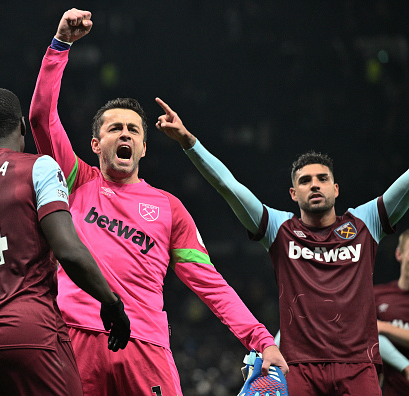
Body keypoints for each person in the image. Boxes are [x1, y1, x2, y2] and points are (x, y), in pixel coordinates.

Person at [29, 8, 287, 396]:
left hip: (146, 345)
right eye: (115, 128)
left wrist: (261, 339)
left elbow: (210, 285)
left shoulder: (169, 208)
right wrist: (60, 45)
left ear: (144, 148)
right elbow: (40, 117)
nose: (125, 134)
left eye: (133, 129)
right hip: (77, 338)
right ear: (96, 144)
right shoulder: (75, 178)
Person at [154, 97, 409, 395]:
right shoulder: (279, 228)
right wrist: (189, 142)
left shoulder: (366, 223)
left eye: (322, 179)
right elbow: (228, 186)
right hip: (298, 367)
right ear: (292, 193)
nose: (314, 185)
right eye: (305, 181)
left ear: (335, 189)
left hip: (358, 366)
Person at [0, 87, 130, 395]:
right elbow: (69, 251)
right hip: (33, 335)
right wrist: (111, 302)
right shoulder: (39, 167)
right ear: (21, 126)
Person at [375, 229, 409, 395]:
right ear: (399, 254)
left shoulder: (381, 325)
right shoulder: (378, 295)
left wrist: (384, 327)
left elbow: (377, 329)